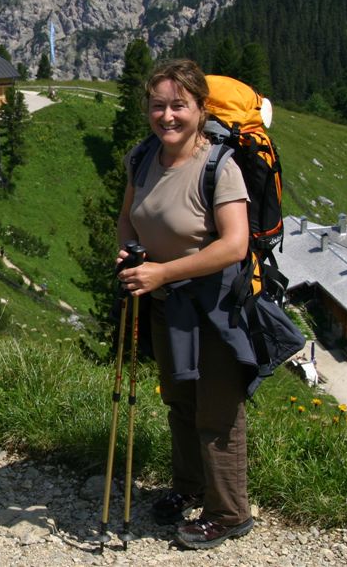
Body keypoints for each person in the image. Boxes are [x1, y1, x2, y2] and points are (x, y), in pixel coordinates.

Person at [115, 59, 254, 550]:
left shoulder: (220, 165)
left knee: (217, 410)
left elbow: (234, 245)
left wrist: (162, 272)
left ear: (199, 108)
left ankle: (229, 511)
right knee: (179, 399)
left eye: (179, 105)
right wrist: (131, 251)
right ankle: (189, 485)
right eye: (158, 105)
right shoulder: (143, 156)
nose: (167, 115)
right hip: (164, 303)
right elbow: (130, 215)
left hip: (213, 307)